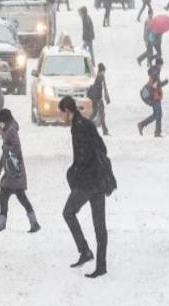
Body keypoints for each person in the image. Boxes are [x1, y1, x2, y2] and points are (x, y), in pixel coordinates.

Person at [59, 96, 109, 279]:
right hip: (99, 180)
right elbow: (102, 148)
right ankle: (101, 265)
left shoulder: (78, 127)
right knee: (99, 225)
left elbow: (83, 156)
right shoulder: (87, 123)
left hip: (88, 182)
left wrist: (74, 173)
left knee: (68, 212)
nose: (60, 116)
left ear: (67, 110)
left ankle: (85, 250)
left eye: (61, 112)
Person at [0, 109, 41, 234]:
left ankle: (2, 224)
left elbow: (15, 148)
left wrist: (5, 147)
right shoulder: (7, 130)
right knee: (18, 197)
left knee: (6, 195)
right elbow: (6, 152)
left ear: (4, 121)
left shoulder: (11, 131)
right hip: (13, 171)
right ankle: (33, 222)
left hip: (14, 171)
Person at [138, 58, 167, 137]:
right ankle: (142, 125)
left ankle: (157, 132)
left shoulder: (155, 71)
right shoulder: (155, 72)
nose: (162, 66)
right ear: (159, 65)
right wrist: (164, 83)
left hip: (156, 95)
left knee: (159, 114)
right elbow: (155, 85)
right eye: (161, 65)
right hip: (154, 96)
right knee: (157, 115)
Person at [89, 63, 111, 136]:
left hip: (96, 99)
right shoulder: (100, 77)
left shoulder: (99, 77)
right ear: (102, 71)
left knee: (95, 114)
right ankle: (105, 131)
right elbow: (97, 90)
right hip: (98, 99)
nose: (104, 73)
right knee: (101, 115)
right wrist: (98, 100)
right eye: (104, 71)